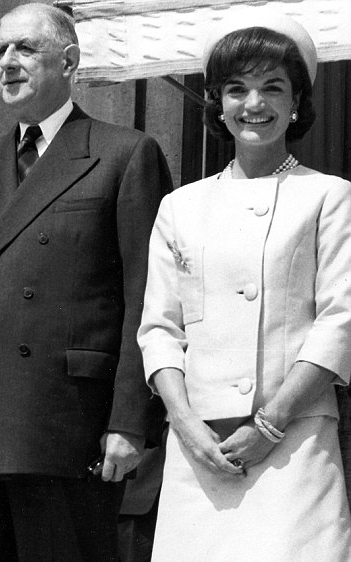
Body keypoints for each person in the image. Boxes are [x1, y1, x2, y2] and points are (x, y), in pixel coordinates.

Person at [0, 3, 172, 561]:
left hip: (64, 428)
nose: (7, 60)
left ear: (70, 62)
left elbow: (145, 302)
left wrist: (129, 422)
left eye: (25, 48)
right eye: (1, 49)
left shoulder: (124, 155)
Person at [138, 10, 351, 561]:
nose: (254, 104)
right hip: (200, 449)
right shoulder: (179, 207)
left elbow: (339, 319)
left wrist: (271, 426)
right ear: (218, 103)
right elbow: (159, 328)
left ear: (297, 102)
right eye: (237, 89)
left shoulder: (329, 196)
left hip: (294, 444)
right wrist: (184, 424)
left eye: (271, 87)